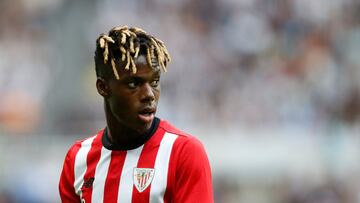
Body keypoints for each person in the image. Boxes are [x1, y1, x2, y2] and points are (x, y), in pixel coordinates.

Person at [59, 26, 214, 203]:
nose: (149, 94)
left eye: (155, 82)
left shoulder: (183, 153)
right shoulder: (78, 160)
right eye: (134, 84)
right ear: (103, 87)